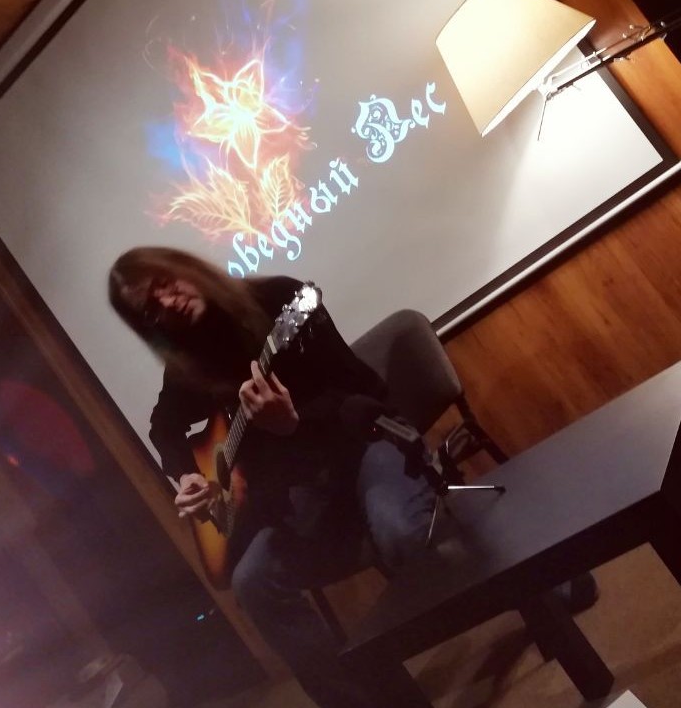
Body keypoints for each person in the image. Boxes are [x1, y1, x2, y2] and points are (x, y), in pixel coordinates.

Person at [108, 246, 437, 707]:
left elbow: (361, 393)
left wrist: (294, 424)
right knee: (253, 583)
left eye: (164, 282)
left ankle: (519, 590)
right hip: (304, 492)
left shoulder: (283, 301)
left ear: (183, 267)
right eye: (150, 308)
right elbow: (163, 425)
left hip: (363, 447)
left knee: (400, 530)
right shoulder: (189, 362)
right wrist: (186, 476)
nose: (167, 301)